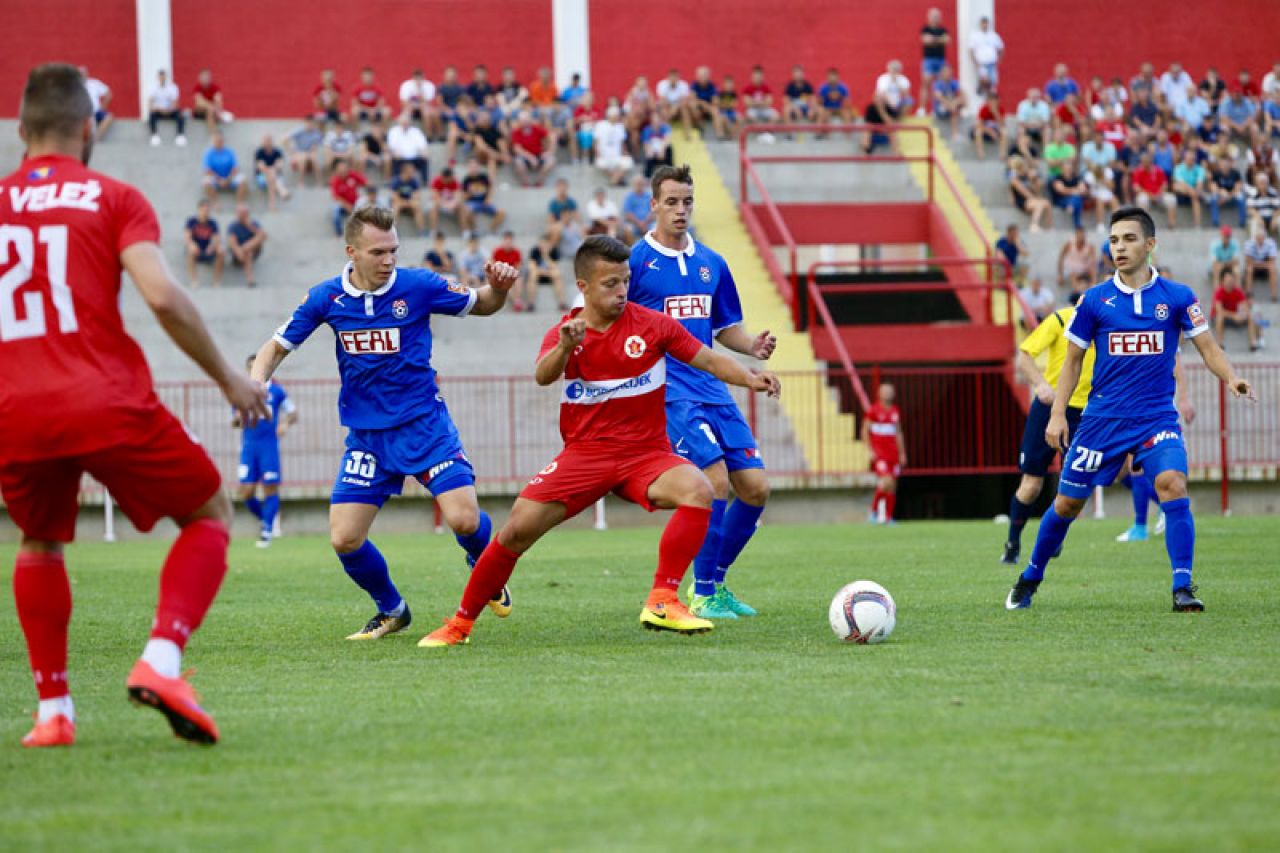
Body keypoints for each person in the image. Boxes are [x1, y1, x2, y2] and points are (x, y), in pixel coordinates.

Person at [1, 63, 269, 748]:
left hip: (16, 410)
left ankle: (53, 712)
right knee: (209, 511)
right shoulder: (111, 196)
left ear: (22, 129)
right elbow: (160, 295)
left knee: (40, 542)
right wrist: (228, 379)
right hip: (102, 397)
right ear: (89, 128)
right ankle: (162, 660)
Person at [417, 235, 782, 648]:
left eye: (625, 280)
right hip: (585, 457)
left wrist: (750, 376)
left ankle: (663, 598)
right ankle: (460, 624)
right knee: (516, 530)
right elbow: (542, 375)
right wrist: (565, 347)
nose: (622, 290)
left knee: (699, 488)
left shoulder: (655, 325)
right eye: (611, 283)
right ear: (584, 285)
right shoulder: (566, 331)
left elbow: (709, 358)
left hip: (646, 455)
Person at [251, 205, 519, 641]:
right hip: (368, 438)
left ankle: (483, 563)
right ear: (351, 252)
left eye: (393, 249)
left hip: (425, 426)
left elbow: (483, 303)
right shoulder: (326, 298)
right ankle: (392, 610)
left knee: (465, 521)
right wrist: (256, 385)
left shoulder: (419, 285)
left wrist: (500, 289)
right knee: (344, 539)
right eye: (378, 252)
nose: (389, 259)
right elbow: (275, 348)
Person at [1005, 207, 1256, 613]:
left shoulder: (1177, 297)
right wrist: (1055, 415)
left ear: (1150, 244)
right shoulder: (1094, 301)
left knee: (1172, 483)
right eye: (1114, 239)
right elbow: (1070, 362)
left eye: (1128, 238)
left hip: (1156, 417)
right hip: (1101, 420)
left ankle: (1182, 587)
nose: (1118, 247)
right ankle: (1030, 575)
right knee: (1068, 504)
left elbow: (1208, 348)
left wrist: (1231, 377)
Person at [626, 164, 779, 620]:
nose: (680, 210)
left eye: (686, 201)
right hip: (670, 392)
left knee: (755, 488)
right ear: (653, 204)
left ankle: (716, 582)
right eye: (671, 201)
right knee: (712, 480)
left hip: (713, 387)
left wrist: (751, 346)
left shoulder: (712, 263)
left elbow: (724, 327)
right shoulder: (635, 261)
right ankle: (703, 592)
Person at [1001, 291, 1095, 564]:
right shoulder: (1059, 320)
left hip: (1084, 414)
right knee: (1031, 484)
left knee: (1072, 488)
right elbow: (1025, 355)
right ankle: (1013, 543)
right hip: (1049, 409)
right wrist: (1040, 384)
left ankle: (1052, 538)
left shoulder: (1104, 329)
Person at [235, 355, 297, 547]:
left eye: (259, 366)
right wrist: (237, 418)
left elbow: (293, 412)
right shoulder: (241, 392)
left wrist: (285, 424)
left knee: (270, 487)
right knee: (246, 492)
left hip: (269, 446)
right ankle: (266, 520)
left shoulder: (277, 392)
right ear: (248, 371)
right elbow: (234, 419)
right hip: (248, 446)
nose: (257, 371)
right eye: (252, 368)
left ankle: (267, 532)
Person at [863, 383, 906, 524]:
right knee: (886, 481)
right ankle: (873, 512)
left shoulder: (895, 411)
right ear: (879, 394)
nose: (888, 394)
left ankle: (888, 517)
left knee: (892, 486)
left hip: (893, 453)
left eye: (890, 391)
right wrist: (869, 450)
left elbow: (898, 433)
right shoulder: (873, 411)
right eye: (885, 391)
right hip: (880, 454)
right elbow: (864, 431)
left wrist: (902, 453)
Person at [1212, 267, 1260, 351]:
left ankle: (1253, 343)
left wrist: (1242, 315)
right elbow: (1219, 311)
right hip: (1220, 317)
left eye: (1231, 280)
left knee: (1251, 316)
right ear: (1222, 281)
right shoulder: (1219, 292)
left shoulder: (1238, 291)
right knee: (1220, 317)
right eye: (1228, 281)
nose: (1230, 283)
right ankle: (1220, 343)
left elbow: (1245, 308)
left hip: (1234, 316)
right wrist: (1234, 316)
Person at [917, 8, 950, 117]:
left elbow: (947, 40)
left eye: (937, 16)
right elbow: (925, 40)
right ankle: (922, 109)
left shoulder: (943, 30)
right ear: (929, 17)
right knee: (926, 82)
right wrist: (939, 39)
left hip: (941, 60)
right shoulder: (925, 29)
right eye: (933, 16)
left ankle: (936, 109)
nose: (936, 18)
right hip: (929, 59)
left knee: (940, 85)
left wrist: (933, 39)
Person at [510, 109, 556, 187]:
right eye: (522, 120)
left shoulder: (536, 128)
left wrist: (550, 151)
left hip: (539, 154)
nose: (524, 122)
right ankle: (525, 182)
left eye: (526, 120)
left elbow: (552, 136)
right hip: (524, 156)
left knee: (551, 160)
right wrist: (530, 157)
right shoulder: (516, 132)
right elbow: (517, 149)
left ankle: (539, 180)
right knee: (518, 162)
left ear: (530, 119)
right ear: (519, 121)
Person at [185, 199, 224, 287]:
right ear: (199, 209)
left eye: (208, 209)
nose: (206, 212)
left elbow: (216, 238)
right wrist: (192, 245)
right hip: (196, 249)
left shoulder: (213, 223)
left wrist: (212, 246)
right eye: (204, 209)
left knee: (221, 251)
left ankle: (216, 281)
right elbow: (187, 237)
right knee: (191, 250)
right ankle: (194, 281)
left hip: (208, 249)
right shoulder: (191, 221)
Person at [202, 131, 247, 208]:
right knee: (206, 182)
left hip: (229, 177)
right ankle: (215, 203)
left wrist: (228, 179)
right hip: (216, 178)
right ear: (213, 141)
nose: (218, 142)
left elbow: (235, 168)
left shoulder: (230, 152)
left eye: (220, 140)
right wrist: (219, 180)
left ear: (223, 141)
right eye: (216, 140)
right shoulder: (208, 153)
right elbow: (207, 170)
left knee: (243, 179)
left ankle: (239, 204)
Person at [522, 232, 565, 311]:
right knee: (533, 274)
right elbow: (531, 267)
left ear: (549, 244)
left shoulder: (554, 251)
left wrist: (546, 256)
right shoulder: (534, 251)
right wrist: (544, 271)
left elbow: (555, 267)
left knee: (557, 275)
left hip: (549, 275)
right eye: (541, 244)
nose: (543, 246)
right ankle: (531, 303)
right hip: (538, 275)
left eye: (545, 244)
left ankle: (562, 303)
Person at [226, 204, 266, 288]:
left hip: (252, 250)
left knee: (257, 239)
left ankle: (245, 248)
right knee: (247, 252)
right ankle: (250, 279)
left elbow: (263, 236)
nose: (243, 215)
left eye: (244, 213)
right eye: (241, 213)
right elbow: (232, 241)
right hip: (239, 254)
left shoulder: (253, 224)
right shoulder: (233, 226)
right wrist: (239, 251)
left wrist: (250, 226)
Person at [461, 159, 506, 232]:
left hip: (484, 202)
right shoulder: (466, 180)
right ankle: (474, 230)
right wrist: (471, 192)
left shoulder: (483, 177)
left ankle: (491, 230)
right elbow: (464, 197)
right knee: (466, 211)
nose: (473, 169)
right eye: (471, 167)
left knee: (502, 213)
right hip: (472, 203)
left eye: (475, 166)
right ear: (468, 168)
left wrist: (488, 198)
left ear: (477, 167)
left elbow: (491, 187)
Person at [594, 105, 633, 185]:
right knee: (600, 163)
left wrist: (625, 153)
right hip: (604, 156)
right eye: (616, 116)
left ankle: (613, 180)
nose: (617, 117)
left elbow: (622, 144)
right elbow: (596, 142)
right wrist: (597, 153)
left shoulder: (620, 126)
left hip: (617, 156)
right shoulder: (600, 125)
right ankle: (618, 179)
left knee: (628, 162)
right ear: (610, 116)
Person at [147, 69, 186, 146]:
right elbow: (150, 105)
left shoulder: (173, 87)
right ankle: (154, 135)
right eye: (160, 77)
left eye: (163, 77)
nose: (162, 79)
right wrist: (160, 109)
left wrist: (169, 109)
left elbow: (175, 104)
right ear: (158, 78)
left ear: (166, 77)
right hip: (158, 110)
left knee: (180, 115)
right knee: (151, 115)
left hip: (170, 110)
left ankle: (180, 135)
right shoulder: (153, 88)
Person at [329, 160, 367, 237]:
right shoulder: (335, 180)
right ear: (336, 170)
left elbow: (365, 182)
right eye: (341, 168)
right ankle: (339, 233)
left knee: (365, 204)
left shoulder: (352, 174)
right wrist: (348, 206)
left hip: (356, 202)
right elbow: (336, 197)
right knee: (335, 211)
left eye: (345, 168)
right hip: (342, 204)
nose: (343, 170)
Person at [968, 15, 1003, 95]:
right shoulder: (975, 36)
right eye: (983, 23)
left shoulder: (993, 35)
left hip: (992, 63)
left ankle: (987, 93)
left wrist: (999, 60)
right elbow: (971, 50)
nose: (985, 25)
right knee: (985, 79)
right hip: (981, 63)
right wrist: (975, 62)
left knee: (993, 81)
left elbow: (1001, 48)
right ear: (980, 24)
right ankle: (981, 87)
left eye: (986, 23)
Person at [1242, 223, 1279, 300]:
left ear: (1265, 237)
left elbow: (1272, 261)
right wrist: (1263, 264)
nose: (1260, 240)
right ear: (1255, 237)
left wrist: (1257, 264)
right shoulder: (1249, 243)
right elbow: (1248, 261)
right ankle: (1249, 293)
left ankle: (1274, 295)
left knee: (1273, 269)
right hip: (1255, 267)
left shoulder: (1271, 243)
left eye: (1262, 238)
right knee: (1249, 269)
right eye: (1258, 238)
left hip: (1264, 267)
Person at [389, 161, 427, 235]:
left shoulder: (414, 181)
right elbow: (394, 197)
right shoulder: (396, 181)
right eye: (411, 171)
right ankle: (392, 231)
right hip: (399, 203)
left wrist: (409, 202)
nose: (413, 172)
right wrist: (405, 202)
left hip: (410, 203)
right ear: (405, 171)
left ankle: (422, 231)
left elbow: (417, 195)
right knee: (396, 207)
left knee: (417, 205)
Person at [253, 134, 290, 209]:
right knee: (270, 176)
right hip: (262, 177)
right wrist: (271, 171)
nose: (267, 142)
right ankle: (282, 191)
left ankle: (272, 205)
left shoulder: (277, 152)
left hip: (277, 177)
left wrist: (273, 170)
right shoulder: (259, 152)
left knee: (271, 177)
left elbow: (280, 165)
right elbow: (261, 166)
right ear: (262, 142)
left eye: (269, 140)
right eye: (265, 141)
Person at [287, 117, 326, 185]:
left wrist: (312, 150)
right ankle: (300, 181)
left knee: (314, 158)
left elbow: (315, 147)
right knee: (303, 158)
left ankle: (319, 181)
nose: (309, 125)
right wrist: (290, 151)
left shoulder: (316, 133)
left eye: (311, 123)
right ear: (305, 123)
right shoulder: (299, 130)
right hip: (299, 153)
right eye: (308, 123)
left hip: (310, 153)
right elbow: (285, 139)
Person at [429, 165, 466, 233]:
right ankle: (434, 231)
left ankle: (465, 231)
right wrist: (445, 204)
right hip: (440, 203)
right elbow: (435, 197)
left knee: (461, 206)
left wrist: (452, 204)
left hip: (451, 204)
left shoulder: (454, 182)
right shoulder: (436, 181)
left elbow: (458, 197)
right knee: (434, 206)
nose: (452, 179)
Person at [191, 69, 230, 133]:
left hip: (211, 112)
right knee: (206, 108)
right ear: (199, 78)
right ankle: (214, 133)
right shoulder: (197, 88)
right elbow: (199, 102)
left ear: (210, 78)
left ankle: (213, 132)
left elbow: (218, 100)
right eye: (203, 77)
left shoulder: (215, 87)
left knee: (210, 111)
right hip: (199, 112)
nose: (205, 80)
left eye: (206, 78)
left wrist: (218, 110)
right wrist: (213, 108)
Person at [81, 68, 113, 140]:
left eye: (84, 74)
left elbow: (108, 94)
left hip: (96, 112)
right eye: (80, 74)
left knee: (108, 117)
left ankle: (96, 138)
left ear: (87, 75)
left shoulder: (94, 83)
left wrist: (102, 107)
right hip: (81, 113)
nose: (82, 76)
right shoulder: (74, 85)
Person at [621, 174, 654, 243]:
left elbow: (653, 211)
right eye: (637, 184)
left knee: (657, 229)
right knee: (628, 229)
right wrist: (639, 224)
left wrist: (644, 223)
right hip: (634, 223)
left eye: (641, 184)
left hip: (648, 223)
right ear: (633, 185)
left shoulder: (649, 196)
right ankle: (632, 251)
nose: (639, 186)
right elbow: (628, 214)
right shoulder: (629, 197)